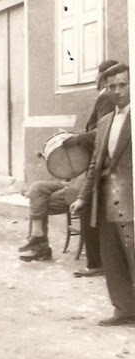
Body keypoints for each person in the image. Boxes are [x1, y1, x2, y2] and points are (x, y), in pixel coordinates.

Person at [19, 59, 118, 267]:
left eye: (99, 75)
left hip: (87, 177)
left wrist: (76, 140)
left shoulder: (107, 98)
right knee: (37, 189)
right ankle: (39, 240)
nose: (96, 79)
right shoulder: (103, 98)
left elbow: (103, 132)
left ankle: (40, 245)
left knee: (40, 198)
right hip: (78, 175)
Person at [70, 63, 135, 326]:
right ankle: (124, 309)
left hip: (130, 198)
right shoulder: (106, 121)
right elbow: (95, 165)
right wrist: (83, 198)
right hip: (106, 198)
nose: (117, 91)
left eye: (122, 85)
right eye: (111, 87)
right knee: (112, 256)